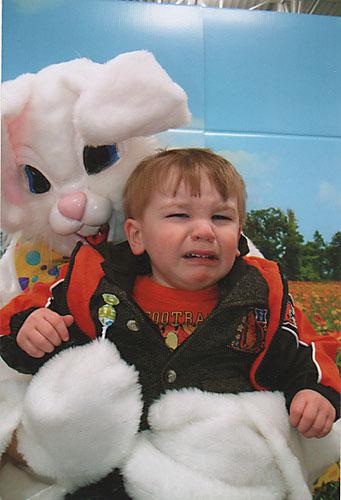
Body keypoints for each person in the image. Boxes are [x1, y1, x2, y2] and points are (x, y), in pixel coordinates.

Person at [0, 149, 340, 492]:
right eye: (179, 215)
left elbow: (306, 350)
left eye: (221, 218)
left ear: (239, 237)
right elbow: (14, 318)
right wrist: (32, 329)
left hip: (216, 472)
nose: (204, 230)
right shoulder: (92, 285)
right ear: (136, 236)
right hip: (110, 471)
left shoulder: (262, 297)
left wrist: (314, 392)